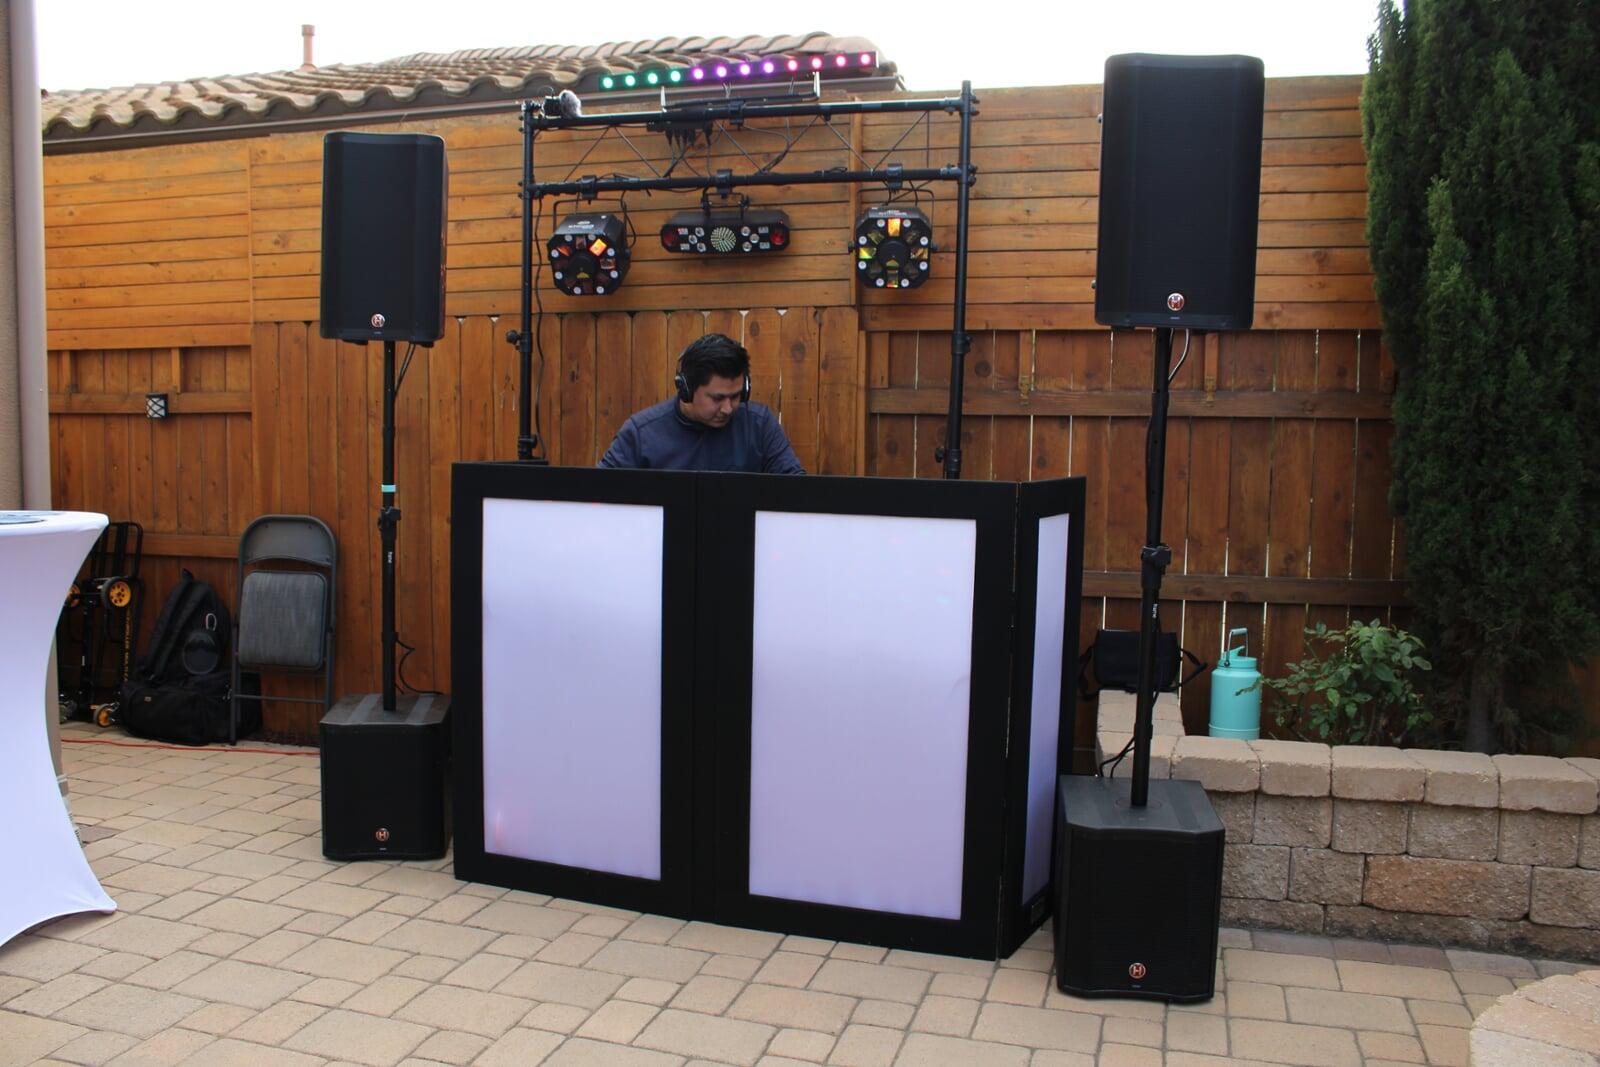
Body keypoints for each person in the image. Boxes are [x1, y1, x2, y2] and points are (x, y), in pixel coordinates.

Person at [599, 333, 805, 473]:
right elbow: (600, 495)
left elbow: (796, 490)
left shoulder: (760, 425)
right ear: (686, 389)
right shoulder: (640, 434)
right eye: (717, 398)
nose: (728, 408)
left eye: (735, 396)